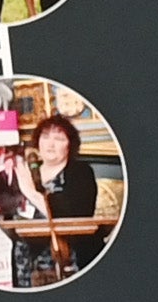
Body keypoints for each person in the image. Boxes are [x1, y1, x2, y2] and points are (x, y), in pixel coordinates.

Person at [18, 110, 109, 285]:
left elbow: (76, 213)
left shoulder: (81, 172)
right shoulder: (27, 173)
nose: (50, 144)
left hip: (70, 260)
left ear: (70, 145)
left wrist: (32, 194)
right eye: (45, 137)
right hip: (28, 263)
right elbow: (9, 213)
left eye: (59, 139)